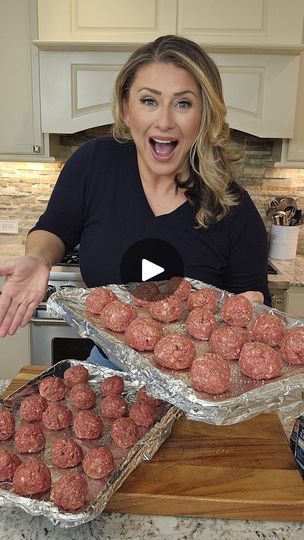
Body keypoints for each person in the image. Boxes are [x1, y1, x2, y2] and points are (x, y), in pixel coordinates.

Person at [0, 35, 270, 367]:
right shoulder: (94, 164)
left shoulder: (234, 210)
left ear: (204, 117)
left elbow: (253, 313)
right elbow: (54, 229)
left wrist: (249, 323)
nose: (165, 120)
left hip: (196, 383)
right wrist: (40, 259)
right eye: (149, 101)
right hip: (108, 367)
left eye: (183, 103)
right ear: (127, 109)